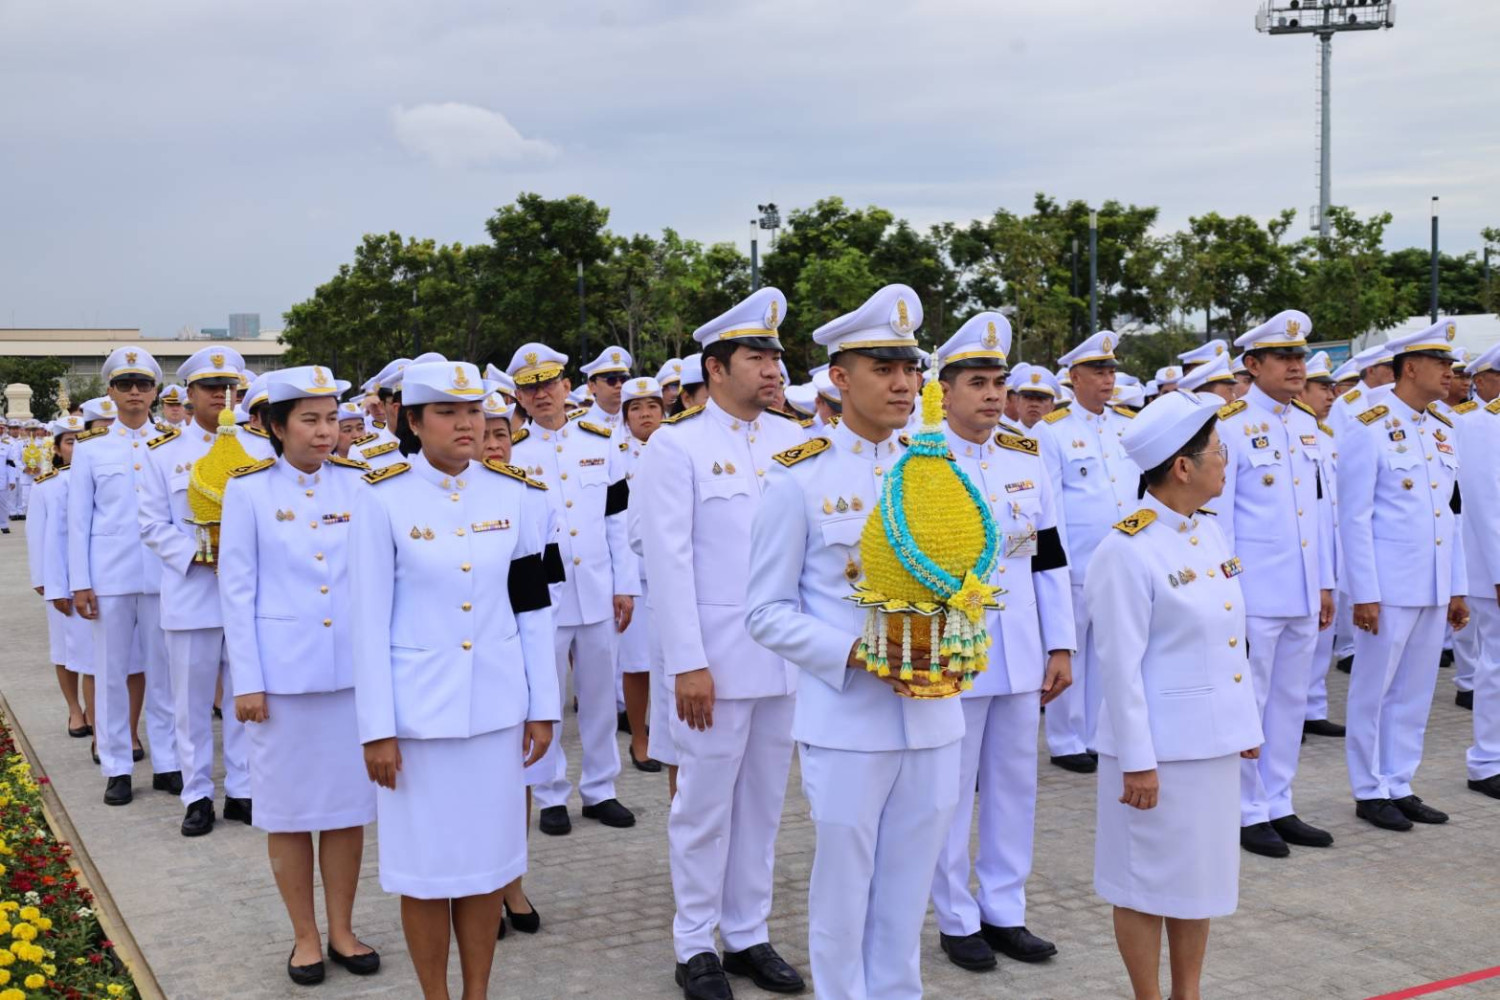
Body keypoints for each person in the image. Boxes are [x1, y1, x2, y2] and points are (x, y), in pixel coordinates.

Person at [747, 284, 957, 1000]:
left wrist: (956, 636)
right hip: (848, 720)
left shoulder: (939, 468)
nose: (904, 384)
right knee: (843, 896)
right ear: (840, 378)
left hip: (934, 714)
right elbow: (766, 611)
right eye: (884, 368)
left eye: (911, 368)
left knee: (907, 897)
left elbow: (969, 578)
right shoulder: (799, 479)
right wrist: (858, 654)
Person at [350, 359, 559, 1000]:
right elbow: (366, 625)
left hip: (496, 713)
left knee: (486, 868)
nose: (466, 424)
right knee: (424, 873)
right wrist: (377, 730)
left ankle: (477, 993)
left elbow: (532, 608)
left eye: (473, 411)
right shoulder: (380, 497)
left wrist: (543, 704)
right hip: (418, 723)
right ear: (412, 421)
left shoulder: (515, 494)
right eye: (447, 412)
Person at [638, 289, 808, 1000]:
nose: (772, 369)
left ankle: (747, 932)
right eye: (755, 356)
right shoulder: (675, 445)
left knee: (764, 805)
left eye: (775, 355)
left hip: (785, 659)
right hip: (713, 661)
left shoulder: (793, 443)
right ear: (715, 368)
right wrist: (688, 664)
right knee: (703, 807)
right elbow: (667, 562)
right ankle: (694, 943)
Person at [1086, 389, 1264, 1000]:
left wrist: (1244, 728)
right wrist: (1137, 761)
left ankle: (1188, 993)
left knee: (1199, 882)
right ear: (1182, 467)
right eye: (1218, 451)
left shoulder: (1209, 534)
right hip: (1158, 754)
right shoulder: (1126, 549)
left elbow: (1227, 642)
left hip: (1210, 745)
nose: (1227, 460)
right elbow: (1119, 667)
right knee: (1144, 883)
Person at [218, 366, 380, 985]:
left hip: (349, 680)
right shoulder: (249, 491)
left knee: (345, 809)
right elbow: (237, 590)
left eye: (331, 419)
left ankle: (342, 928)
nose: (323, 432)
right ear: (274, 427)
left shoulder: (362, 484)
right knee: (287, 813)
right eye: (309, 420)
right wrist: (247, 681)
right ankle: (304, 936)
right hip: (281, 682)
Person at [926, 314, 1075, 973]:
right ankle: (956, 918)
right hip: (956, 655)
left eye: (998, 383)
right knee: (950, 793)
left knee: (1016, 787)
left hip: (1020, 650)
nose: (991, 395)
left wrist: (1061, 645)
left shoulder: (1024, 459)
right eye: (977, 383)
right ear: (947, 390)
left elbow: (1050, 557)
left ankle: (1004, 909)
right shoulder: (921, 461)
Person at [1214, 311, 1335, 858]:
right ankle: (1244, 810)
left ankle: (1279, 801)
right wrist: (1229, 594)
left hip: (1304, 591)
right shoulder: (1229, 425)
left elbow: (1319, 514)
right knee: (1250, 702)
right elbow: (1221, 522)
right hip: (1256, 594)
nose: (1296, 366)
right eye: (1284, 358)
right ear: (1252, 365)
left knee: (1288, 703)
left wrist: (1326, 584)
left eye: (1299, 357)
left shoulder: (1309, 425)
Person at [1340, 322, 1469, 831]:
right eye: (1442, 365)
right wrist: (1364, 594)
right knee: (1373, 691)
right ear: (1410, 367)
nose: (1451, 374)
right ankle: (1368, 790)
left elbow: (1450, 514)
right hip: (1389, 587)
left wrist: (1456, 587)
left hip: (1433, 584)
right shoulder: (1366, 424)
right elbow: (1354, 518)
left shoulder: (1443, 425)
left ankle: (1400, 782)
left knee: (1415, 693)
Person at [507, 344, 639, 835]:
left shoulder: (599, 441)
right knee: (548, 695)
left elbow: (616, 518)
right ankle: (549, 793)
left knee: (601, 694)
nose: (542, 395)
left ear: (567, 387)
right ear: (519, 397)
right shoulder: (514, 453)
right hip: (546, 595)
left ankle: (602, 789)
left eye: (549, 384)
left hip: (599, 587)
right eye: (531, 388)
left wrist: (625, 584)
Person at [139, 347, 254, 836]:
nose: (221, 397)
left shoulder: (262, 450)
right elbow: (150, 523)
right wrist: (195, 555)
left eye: (230, 388)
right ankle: (198, 794)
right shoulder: (164, 455)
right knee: (189, 705)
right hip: (192, 590)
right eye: (210, 388)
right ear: (188, 395)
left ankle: (246, 791)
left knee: (247, 699)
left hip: (248, 595)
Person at [68, 346, 181, 806]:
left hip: (162, 576)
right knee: (110, 674)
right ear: (111, 392)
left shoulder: (172, 445)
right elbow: (78, 522)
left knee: (165, 674)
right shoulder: (92, 451)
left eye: (143, 385)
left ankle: (169, 762)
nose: (134, 393)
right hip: (110, 577)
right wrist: (80, 581)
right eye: (124, 385)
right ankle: (116, 765)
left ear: (155, 392)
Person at [1034, 330, 1140, 773]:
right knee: (1068, 651)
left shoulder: (1127, 426)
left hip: (1118, 559)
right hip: (1076, 557)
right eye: (1098, 371)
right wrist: (1055, 563)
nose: (1108, 379)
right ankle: (1064, 738)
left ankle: (1095, 733)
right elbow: (1049, 503)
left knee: (1108, 651)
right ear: (1074, 377)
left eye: (1111, 370)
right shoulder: (1052, 430)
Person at [28, 415, 91, 738]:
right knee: (65, 650)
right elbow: (37, 537)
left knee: (95, 652)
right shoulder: (47, 486)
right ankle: (74, 710)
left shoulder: (100, 480)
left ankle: (95, 709)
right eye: (69, 441)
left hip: (95, 580)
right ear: (57, 448)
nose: (77, 447)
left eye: (82, 439)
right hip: (61, 579)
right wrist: (47, 583)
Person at [1458, 343, 1500, 798]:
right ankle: (1486, 761)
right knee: (1496, 666)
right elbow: (1488, 507)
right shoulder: (1487, 425)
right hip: (1494, 570)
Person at [617, 376, 665, 774]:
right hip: (634, 576)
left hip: (669, 573)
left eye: (652, 406)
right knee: (636, 664)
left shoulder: (674, 449)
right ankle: (639, 737)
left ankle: (669, 734)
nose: (646, 414)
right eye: (636, 408)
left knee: (670, 660)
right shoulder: (615, 453)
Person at [1299, 351, 1348, 740]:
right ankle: (1295, 709)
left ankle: (1313, 706)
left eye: (1333, 388)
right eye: (1322, 388)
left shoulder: (1328, 438)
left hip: (1327, 546)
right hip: (1300, 549)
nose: (1330, 395)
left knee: (1323, 636)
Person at [578, 346, 633, 436]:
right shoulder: (577, 425)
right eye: (611, 380)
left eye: (623, 380)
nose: (619, 385)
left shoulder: (635, 422)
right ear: (592, 386)